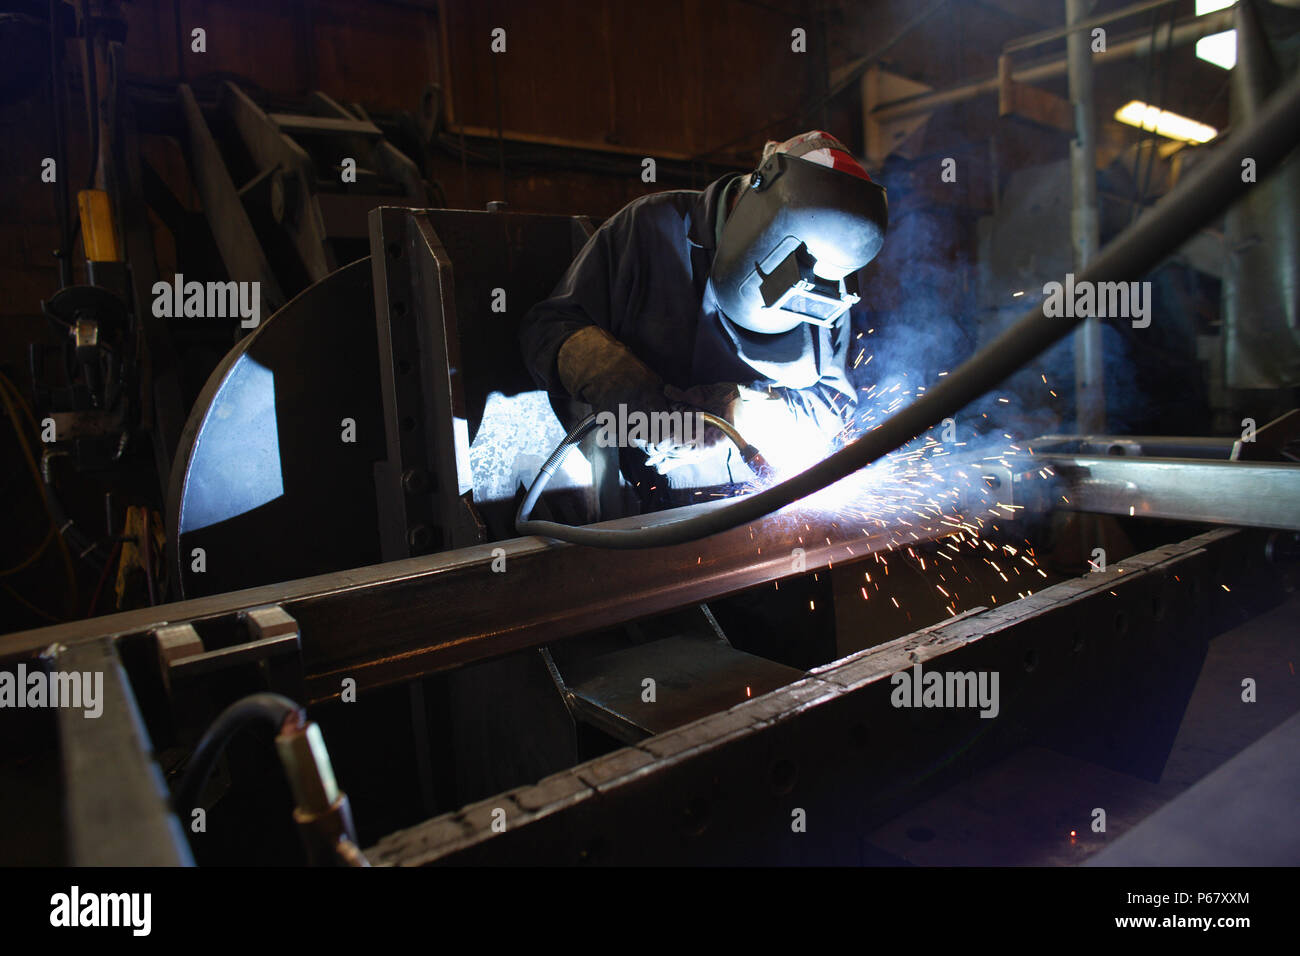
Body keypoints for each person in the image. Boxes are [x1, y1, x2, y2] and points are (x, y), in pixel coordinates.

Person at [520, 130, 888, 505]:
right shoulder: (649, 228)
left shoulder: (828, 284)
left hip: (758, 507)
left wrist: (741, 414)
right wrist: (619, 381)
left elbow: (832, 405)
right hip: (639, 508)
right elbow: (547, 331)